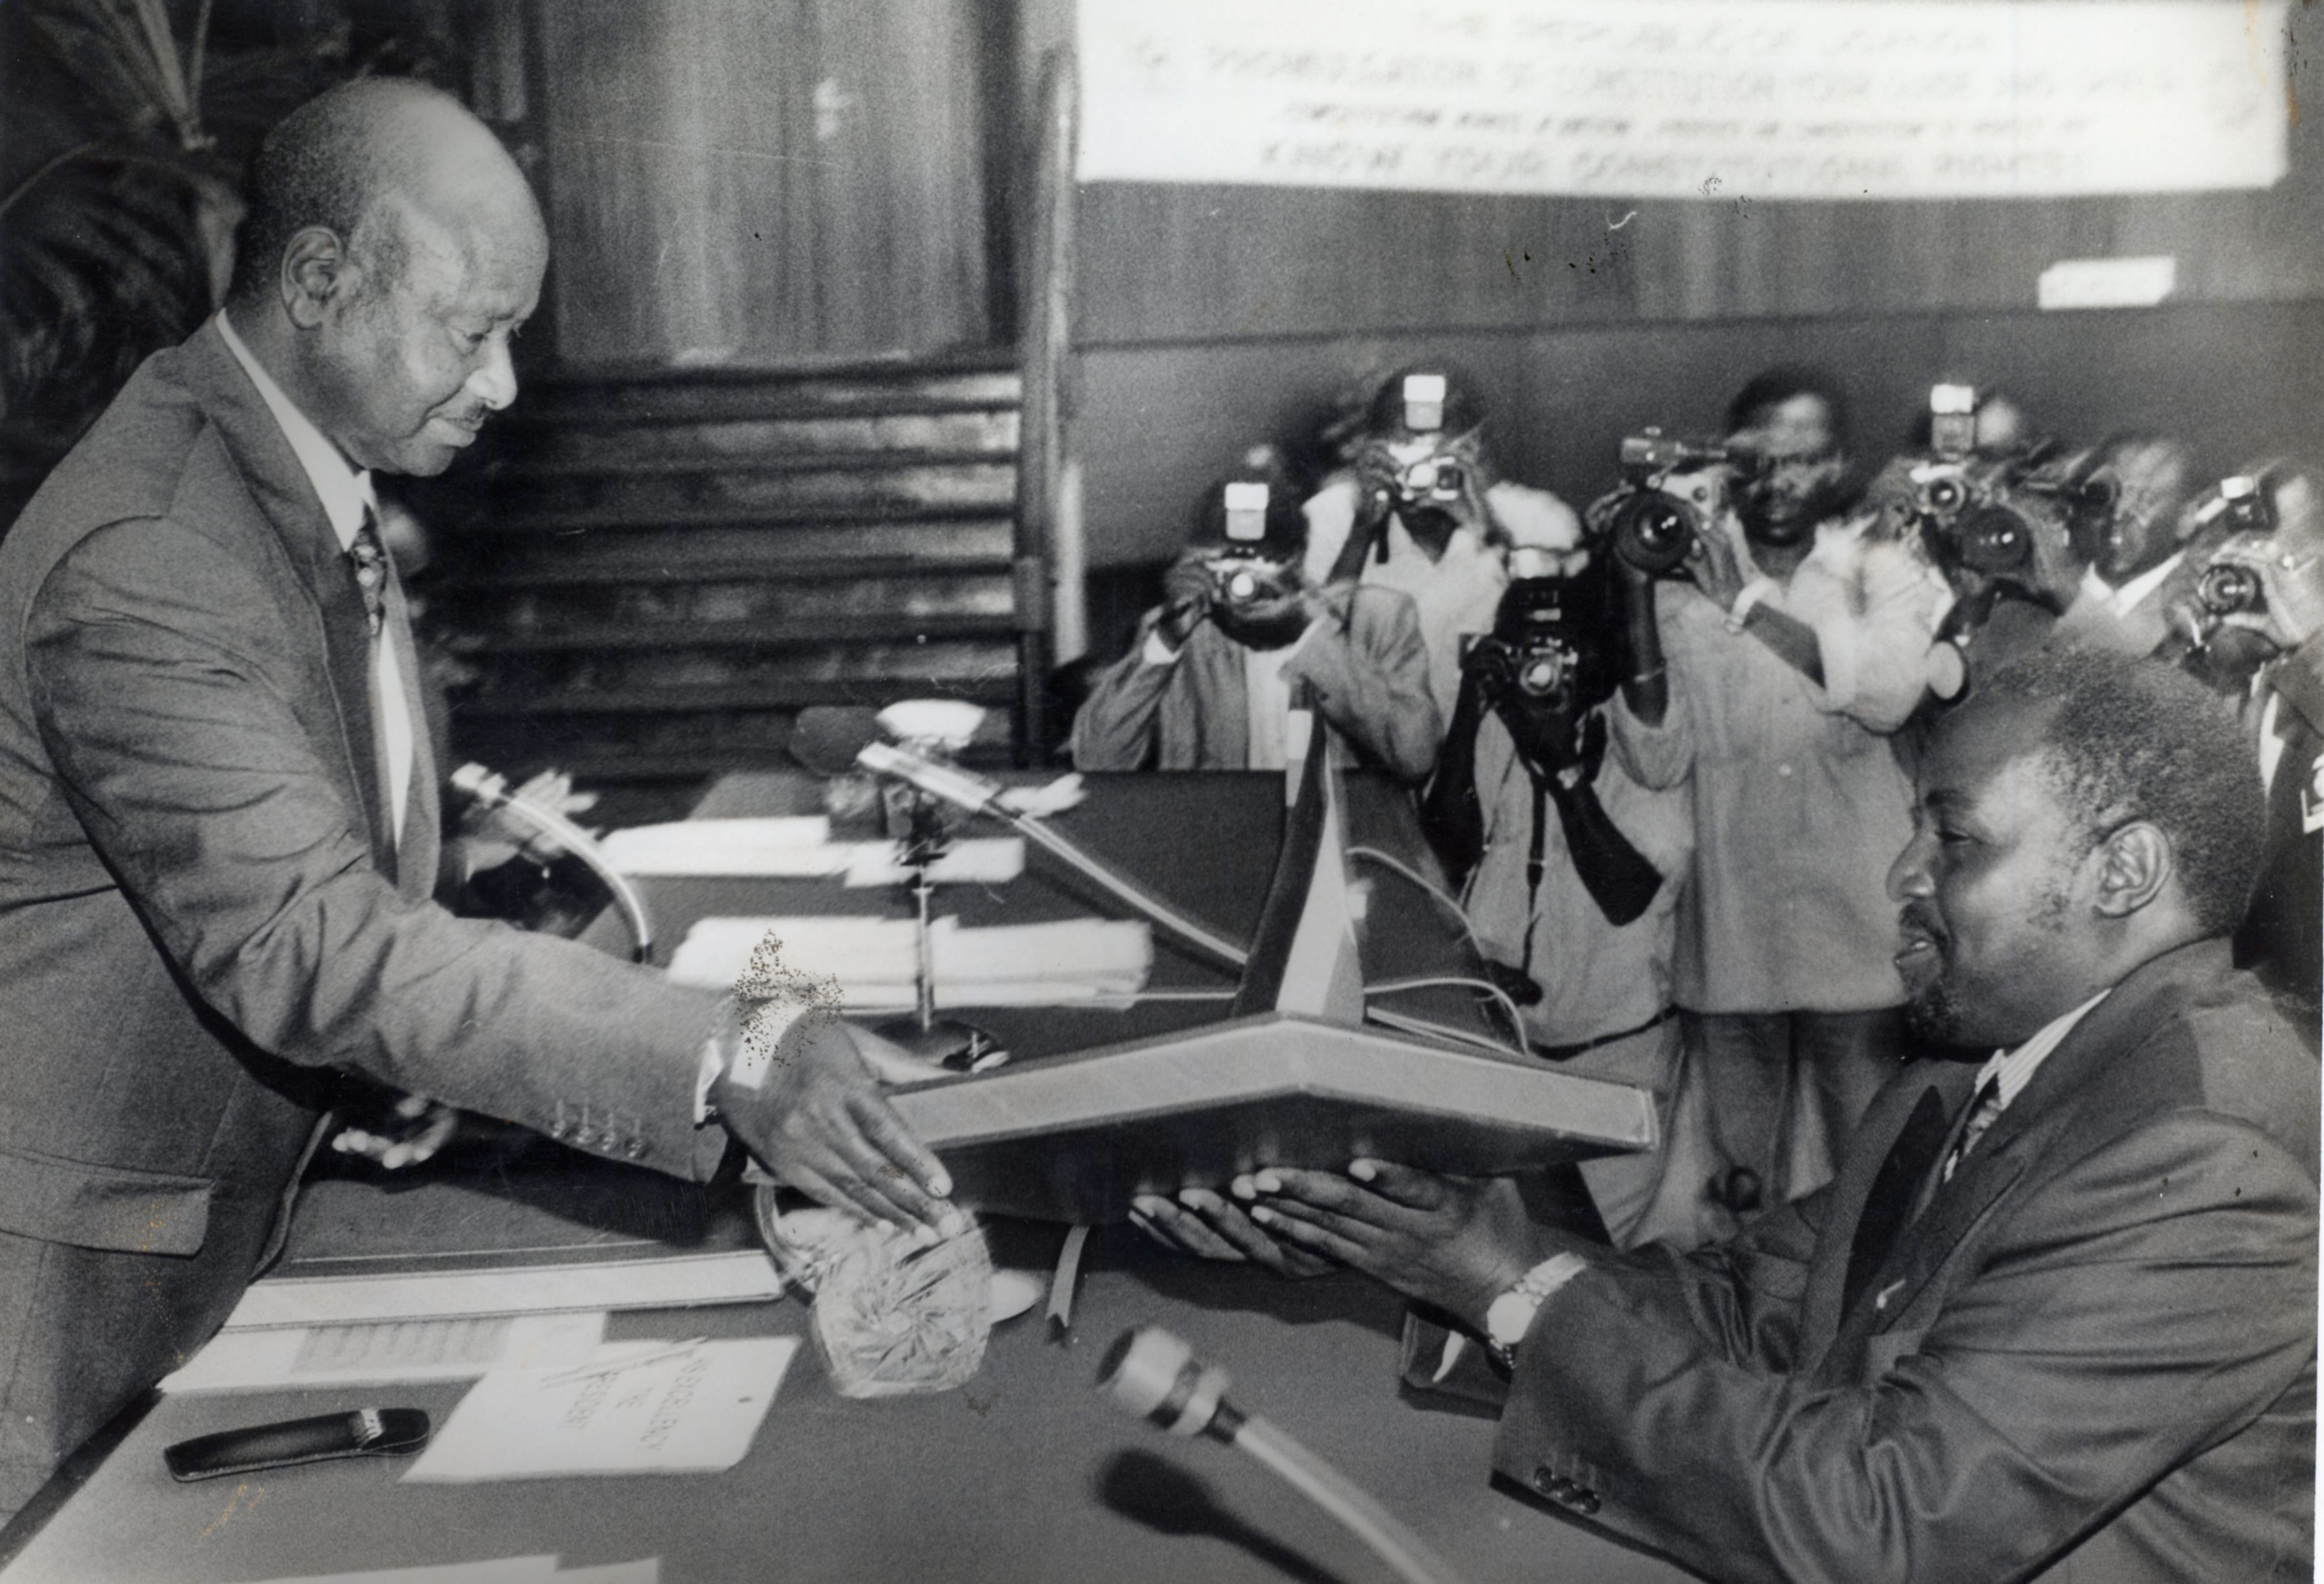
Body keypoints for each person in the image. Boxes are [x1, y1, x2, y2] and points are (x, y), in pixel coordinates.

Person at [0, 79, 953, 1520]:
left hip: (219, 1220)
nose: (502, 383)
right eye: (471, 330)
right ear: (319, 281)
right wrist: (733, 1043)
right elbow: (312, 939)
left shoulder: (297, 472)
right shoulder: (157, 549)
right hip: (70, 1288)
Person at [1236, 650, 2313, 1584]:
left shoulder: (2206, 1157)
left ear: (2121, 871)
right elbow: (1752, 1306)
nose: (1903, 874)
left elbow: (1889, 1523)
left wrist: (1509, 1291)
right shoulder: (1972, 1070)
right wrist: (1429, 1243)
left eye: (1954, 838)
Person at [1618, 367, 1948, 1224]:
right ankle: (1747, 1340)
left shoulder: (1884, 568)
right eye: (1754, 462)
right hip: (1731, 923)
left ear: (1839, 465)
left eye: (1799, 462)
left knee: (1864, 1168)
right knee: (1740, 1184)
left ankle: (1855, 1344)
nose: (1774, 484)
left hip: (1858, 921)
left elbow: (1885, 694)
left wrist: (1747, 602)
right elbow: (1656, 761)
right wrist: (1628, 588)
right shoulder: (1675, 570)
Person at [1070, 476, 1439, 780]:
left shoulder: (1377, 618)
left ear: (1297, 560)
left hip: (1337, 842)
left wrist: (1306, 634)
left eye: (1264, 564)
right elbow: (1098, 758)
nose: (1243, 581)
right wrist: (1165, 644)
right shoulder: (1181, 632)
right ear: (1197, 562)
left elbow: (1416, 757)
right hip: (1220, 838)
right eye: (1225, 564)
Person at [1300, 365, 1581, 724]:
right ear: (1369, 451)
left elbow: (1569, 644)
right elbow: (1312, 654)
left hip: (1500, 749)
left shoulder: (1537, 520)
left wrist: (1486, 527)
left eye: (1437, 454)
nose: (1420, 473)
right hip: (1373, 756)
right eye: (1401, 452)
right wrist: (1361, 532)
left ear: (1475, 448)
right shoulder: (1329, 518)